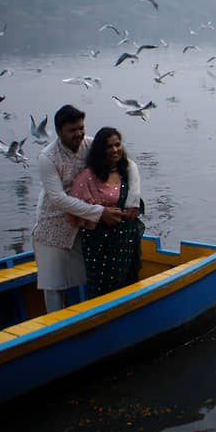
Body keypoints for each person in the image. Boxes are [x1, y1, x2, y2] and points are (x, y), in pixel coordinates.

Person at [33, 105, 123, 313]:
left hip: (85, 224)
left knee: (88, 277)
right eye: (72, 130)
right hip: (53, 224)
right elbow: (58, 199)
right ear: (58, 132)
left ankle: (89, 321)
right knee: (53, 284)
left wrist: (131, 200)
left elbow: (126, 164)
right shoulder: (48, 157)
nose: (79, 134)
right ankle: (55, 330)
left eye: (81, 128)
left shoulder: (91, 145)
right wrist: (101, 213)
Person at [67, 127, 144, 299]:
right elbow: (74, 208)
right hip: (100, 248)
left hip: (126, 244)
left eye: (118, 145)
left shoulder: (126, 171)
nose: (115, 150)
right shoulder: (88, 176)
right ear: (101, 151)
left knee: (128, 287)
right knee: (104, 293)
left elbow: (134, 198)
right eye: (109, 147)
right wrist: (101, 214)